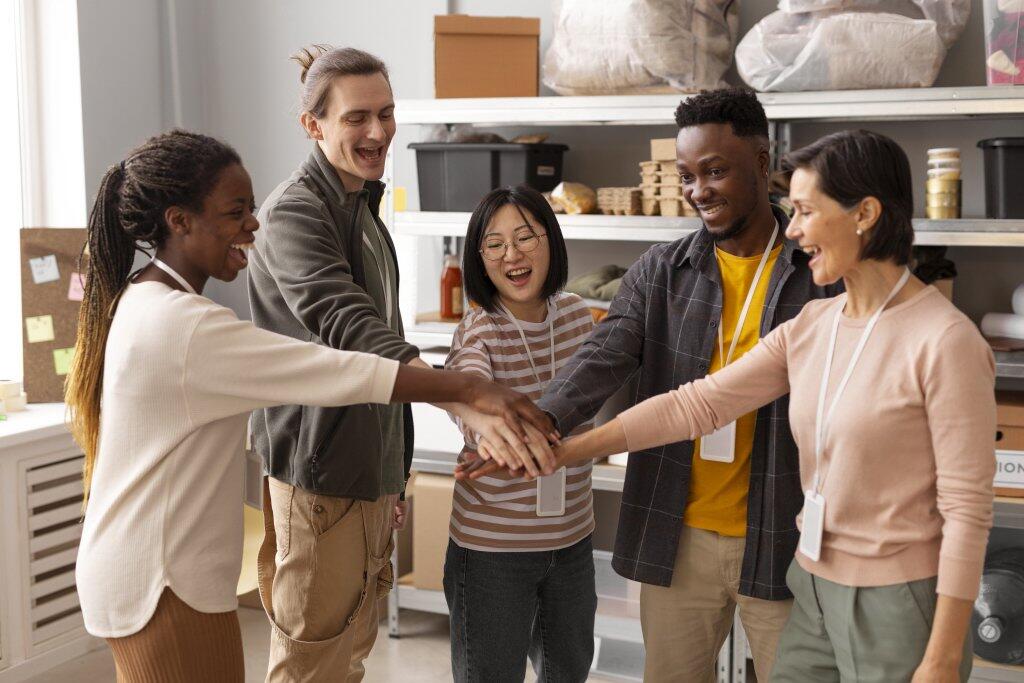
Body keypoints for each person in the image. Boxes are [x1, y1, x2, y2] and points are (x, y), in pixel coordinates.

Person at [482, 129, 996, 682]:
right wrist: (565, 450)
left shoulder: (946, 340)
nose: (794, 228)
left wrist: (942, 657)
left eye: (804, 210)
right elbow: (695, 406)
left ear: (864, 213)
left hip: (897, 597)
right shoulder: (815, 326)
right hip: (812, 582)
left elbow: (968, 510)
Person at [68, 130, 554, 683]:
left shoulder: (149, 301)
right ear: (179, 220)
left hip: (148, 573)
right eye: (235, 212)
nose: (254, 224)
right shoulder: (185, 327)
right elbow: (333, 370)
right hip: (162, 584)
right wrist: (467, 389)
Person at [465, 88, 838, 682]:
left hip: (783, 530)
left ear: (764, 163)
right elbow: (599, 360)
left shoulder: (819, 274)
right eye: (687, 175)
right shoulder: (662, 271)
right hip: (678, 530)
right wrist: (530, 428)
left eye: (715, 171)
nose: (698, 191)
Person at [246, 46, 554, 681]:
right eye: (357, 117)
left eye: (386, 113)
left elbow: (384, 335)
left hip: (365, 474)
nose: (379, 132)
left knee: (351, 653)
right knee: (311, 664)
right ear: (314, 125)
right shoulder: (296, 212)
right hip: (319, 478)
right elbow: (350, 327)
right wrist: (459, 392)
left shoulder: (361, 207)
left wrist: (392, 473)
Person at [443, 186, 597, 683]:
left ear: (550, 240)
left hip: (572, 539)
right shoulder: (478, 329)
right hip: (493, 552)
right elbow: (468, 396)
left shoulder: (576, 315)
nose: (512, 254)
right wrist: (489, 433)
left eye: (525, 236)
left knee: (569, 672)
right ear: (480, 258)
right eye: (494, 244)